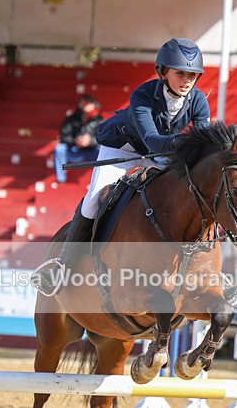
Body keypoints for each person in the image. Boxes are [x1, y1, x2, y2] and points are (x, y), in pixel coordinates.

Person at [32, 37, 211, 295]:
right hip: (123, 147)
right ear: (163, 72)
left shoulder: (198, 101)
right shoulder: (142, 95)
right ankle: (62, 266)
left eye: (192, 75)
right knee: (94, 200)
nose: (186, 80)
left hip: (160, 154)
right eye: (180, 73)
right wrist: (188, 141)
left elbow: (200, 144)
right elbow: (151, 140)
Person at [53, 95, 103, 183]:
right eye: (82, 103)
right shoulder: (71, 119)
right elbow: (63, 136)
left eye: (87, 103)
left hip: (92, 152)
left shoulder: (98, 120)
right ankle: (61, 180)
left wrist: (89, 141)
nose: (84, 105)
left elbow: (103, 138)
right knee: (59, 149)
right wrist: (76, 141)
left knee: (102, 150)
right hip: (75, 150)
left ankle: (101, 179)